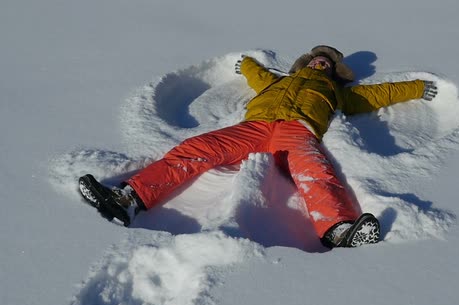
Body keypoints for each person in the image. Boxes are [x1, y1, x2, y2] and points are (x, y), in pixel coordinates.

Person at [79, 45, 438, 248]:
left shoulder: (339, 93)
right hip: (253, 127)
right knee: (196, 148)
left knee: (315, 171)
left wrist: (417, 88)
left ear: (332, 71)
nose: (319, 62)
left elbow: (380, 93)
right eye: (315, 58)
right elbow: (257, 75)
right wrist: (248, 63)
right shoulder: (279, 81)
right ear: (304, 62)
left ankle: (339, 228)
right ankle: (128, 200)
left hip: (297, 132)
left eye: (326, 62)